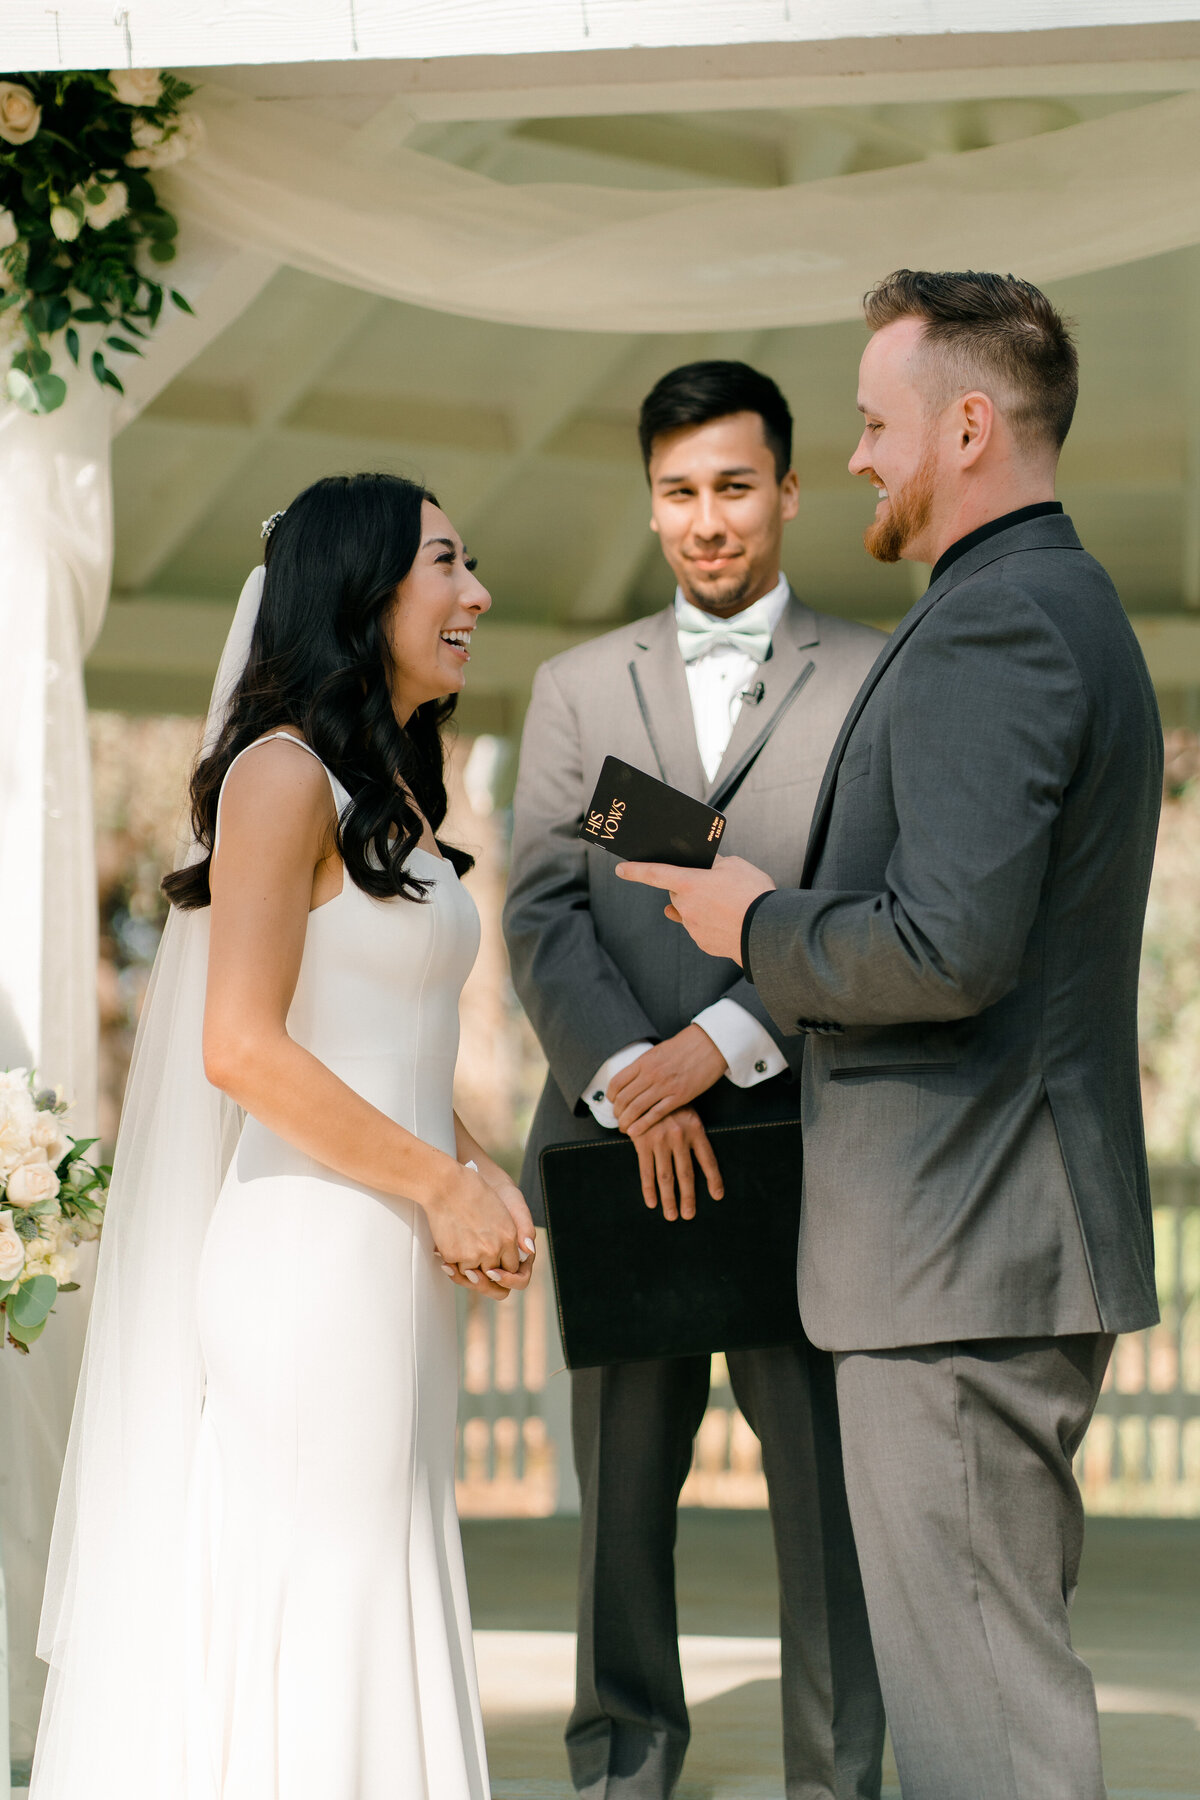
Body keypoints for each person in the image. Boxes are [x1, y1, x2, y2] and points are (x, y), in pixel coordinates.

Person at [617, 272, 1163, 1800]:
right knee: (970, 1702)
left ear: (970, 426)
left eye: (875, 423)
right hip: (967, 1247)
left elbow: (946, 950)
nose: (856, 457)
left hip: (958, 1253)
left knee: (984, 1728)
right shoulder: (1026, 608)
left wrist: (752, 927)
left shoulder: (1003, 629)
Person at [31, 474, 537, 1800]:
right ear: (362, 592)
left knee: (387, 1562)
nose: (475, 593)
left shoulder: (394, 795)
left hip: (394, 1256)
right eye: (446, 564)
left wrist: (476, 1172)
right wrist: (439, 1184)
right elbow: (241, 1047)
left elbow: (391, 1034)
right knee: (326, 1582)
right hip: (308, 1260)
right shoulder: (275, 777)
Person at [503, 362, 886, 1800]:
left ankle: (838, 1777)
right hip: (619, 1153)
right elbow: (543, 905)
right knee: (619, 1505)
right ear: (649, 499)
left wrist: (710, 1053)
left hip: (809, 1145)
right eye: (679, 492)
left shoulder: (873, 674)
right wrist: (625, 1081)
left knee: (829, 1504)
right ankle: (624, 1767)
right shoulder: (573, 689)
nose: (707, 521)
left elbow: (860, 894)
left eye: (735, 487)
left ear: (789, 488)